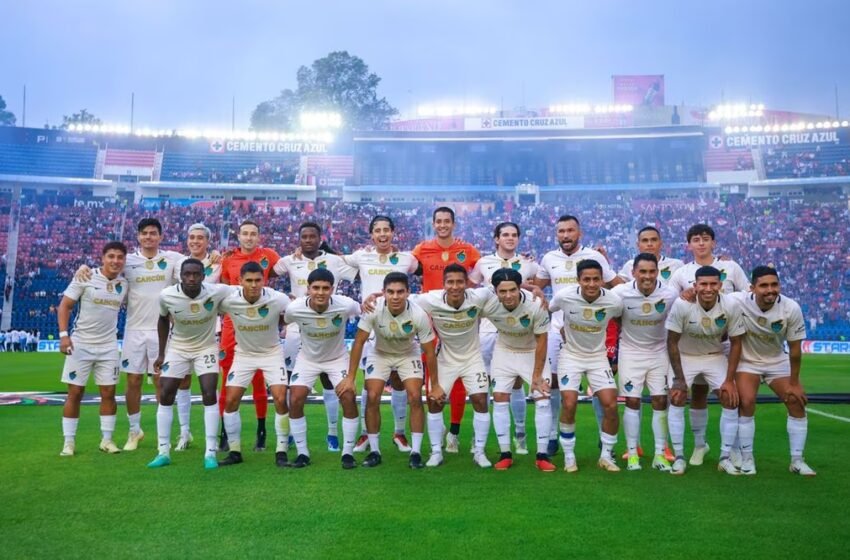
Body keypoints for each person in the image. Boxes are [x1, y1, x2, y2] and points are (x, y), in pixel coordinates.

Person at [535, 215, 622, 456]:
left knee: (600, 386)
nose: (565, 235)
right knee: (553, 385)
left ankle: (603, 439)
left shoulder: (594, 257)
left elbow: (618, 285)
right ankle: (552, 435)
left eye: (570, 231)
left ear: (579, 233)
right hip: (557, 330)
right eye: (561, 231)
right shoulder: (548, 258)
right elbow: (537, 287)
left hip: (590, 331)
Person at [668, 224, 749, 467]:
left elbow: (747, 294)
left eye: (706, 239)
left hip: (720, 344)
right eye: (696, 239)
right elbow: (670, 297)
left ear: (713, 242)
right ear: (689, 244)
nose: (701, 243)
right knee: (695, 395)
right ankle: (698, 447)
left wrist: (727, 311)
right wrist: (683, 295)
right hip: (690, 342)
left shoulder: (731, 266)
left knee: (732, 396)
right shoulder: (682, 272)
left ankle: (731, 451)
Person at [339, 272, 437, 468]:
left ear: (408, 292)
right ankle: (375, 451)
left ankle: (416, 452)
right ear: (383, 293)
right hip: (380, 353)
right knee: (373, 396)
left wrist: (434, 385)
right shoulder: (374, 309)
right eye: (390, 292)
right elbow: (358, 342)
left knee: (415, 397)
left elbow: (429, 350)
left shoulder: (418, 314)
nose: (395, 296)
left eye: (400, 292)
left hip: (408, 354)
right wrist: (350, 377)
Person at [274, 221, 356, 453]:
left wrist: (342, 254)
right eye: (304, 237)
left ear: (320, 238)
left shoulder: (334, 261)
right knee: (294, 385)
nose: (308, 240)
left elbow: (358, 271)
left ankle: (332, 433)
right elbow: (268, 271)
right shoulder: (290, 260)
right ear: (299, 239)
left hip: (328, 320)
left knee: (331, 384)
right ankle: (290, 432)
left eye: (312, 236)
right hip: (297, 325)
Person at [344, 215, 419, 455]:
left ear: (393, 233)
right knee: (370, 385)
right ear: (371, 234)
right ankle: (367, 433)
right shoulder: (361, 255)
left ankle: (399, 432)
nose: (383, 234)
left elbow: (424, 267)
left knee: (399, 381)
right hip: (372, 323)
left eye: (387, 230)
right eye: (378, 230)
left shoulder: (407, 259)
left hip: (399, 323)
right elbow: (332, 260)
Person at [146, 259, 231, 470]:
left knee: (209, 393)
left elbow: (244, 290)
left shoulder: (217, 291)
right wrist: (161, 354)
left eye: (196, 274)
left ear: (203, 276)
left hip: (206, 347)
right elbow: (163, 320)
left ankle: (210, 453)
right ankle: (163, 451)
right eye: (187, 274)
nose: (191, 278)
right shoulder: (167, 295)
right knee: (165, 393)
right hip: (178, 348)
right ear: (180, 276)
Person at [731, 266, 815, 476]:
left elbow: (795, 350)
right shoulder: (737, 301)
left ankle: (797, 460)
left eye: (774, 284)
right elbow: (712, 296)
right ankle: (747, 458)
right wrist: (690, 292)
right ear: (752, 288)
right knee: (747, 401)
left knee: (796, 401)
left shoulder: (790, 308)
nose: (770, 290)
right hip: (747, 361)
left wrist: (794, 383)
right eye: (764, 285)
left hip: (777, 360)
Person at [409, 264, 493, 468]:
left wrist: (534, 290)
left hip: (472, 358)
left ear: (466, 283)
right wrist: (374, 296)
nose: (455, 286)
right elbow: (401, 298)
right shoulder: (429, 300)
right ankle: (436, 451)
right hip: (445, 359)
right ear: (443, 284)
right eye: (450, 282)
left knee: (481, 400)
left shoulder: (480, 296)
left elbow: (506, 290)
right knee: (435, 402)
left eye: (459, 282)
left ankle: (479, 451)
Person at [411, 207, 480, 453]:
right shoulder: (421, 250)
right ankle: (437, 429)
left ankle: (454, 432)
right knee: (432, 374)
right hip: (429, 320)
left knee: (460, 376)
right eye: (438, 221)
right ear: (433, 223)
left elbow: (486, 274)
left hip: (459, 320)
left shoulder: (468, 250)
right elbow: (397, 265)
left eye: (446, 221)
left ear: (453, 223)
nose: (442, 225)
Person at [468, 221, 538, 455]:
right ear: (496, 238)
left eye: (514, 235)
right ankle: (481, 439)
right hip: (488, 330)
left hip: (517, 330)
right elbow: (470, 292)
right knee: (485, 384)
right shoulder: (483, 263)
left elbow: (535, 291)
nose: (510, 238)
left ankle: (520, 435)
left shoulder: (528, 263)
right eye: (505, 235)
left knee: (516, 382)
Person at [550, 260, 624, 472]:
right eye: (586, 279)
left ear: (602, 279)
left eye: (596, 279)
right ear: (578, 280)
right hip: (571, 356)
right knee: (570, 403)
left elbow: (619, 321)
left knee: (610, 404)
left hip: (597, 357)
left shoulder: (613, 301)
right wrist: (561, 331)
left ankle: (606, 456)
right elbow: (550, 310)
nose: (591, 284)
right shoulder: (565, 296)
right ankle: (569, 456)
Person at [116, 218, 183, 451]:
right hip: (134, 330)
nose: (148, 237)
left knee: (160, 382)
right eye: (144, 233)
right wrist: (85, 269)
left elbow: (198, 264)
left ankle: (162, 435)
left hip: (161, 331)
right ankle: (134, 431)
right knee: (133, 380)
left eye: (153, 233)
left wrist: (214, 256)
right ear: (138, 236)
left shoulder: (172, 258)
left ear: (160, 237)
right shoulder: (128, 262)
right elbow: (107, 270)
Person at [283, 269, 361, 469]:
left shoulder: (346, 305)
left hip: (337, 358)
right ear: (308, 289)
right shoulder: (295, 309)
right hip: (307, 359)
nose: (320, 292)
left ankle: (348, 453)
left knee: (348, 396)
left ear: (332, 289)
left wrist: (373, 300)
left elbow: (364, 310)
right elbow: (283, 320)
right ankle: (302, 453)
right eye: (316, 288)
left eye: (325, 288)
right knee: (296, 398)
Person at [57, 241, 129, 457]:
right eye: (111, 256)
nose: (115, 261)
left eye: (119, 257)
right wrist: (63, 336)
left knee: (109, 393)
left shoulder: (125, 283)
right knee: (75, 393)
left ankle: (106, 440)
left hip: (108, 346)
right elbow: (65, 306)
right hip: (81, 344)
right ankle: (69, 443)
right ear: (102, 258)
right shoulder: (85, 277)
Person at [217, 262, 291, 467]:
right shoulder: (229, 301)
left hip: (272, 353)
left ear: (264, 280)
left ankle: (281, 451)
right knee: (231, 400)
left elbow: (294, 311)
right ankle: (234, 451)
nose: (253, 285)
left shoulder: (278, 299)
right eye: (248, 280)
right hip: (244, 355)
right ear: (240, 281)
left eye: (258, 280)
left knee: (279, 398)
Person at [218, 219, 281, 452]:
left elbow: (289, 267)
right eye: (245, 233)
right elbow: (226, 286)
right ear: (239, 236)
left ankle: (261, 430)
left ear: (259, 236)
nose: (249, 237)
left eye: (253, 233)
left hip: (261, 323)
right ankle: (224, 431)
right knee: (227, 377)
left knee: (258, 378)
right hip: (232, 325)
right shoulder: (227, 259)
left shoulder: (269, 256)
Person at [611, 253, 678, 471]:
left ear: (657, 272)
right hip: (630, 352)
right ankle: (632, 454)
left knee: (660, 400)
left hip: (659, 352)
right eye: (642, 272)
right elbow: (602, 306)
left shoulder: (670, 294)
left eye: (651, 271)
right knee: (632, 401)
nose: (647, 276)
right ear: (634, 273)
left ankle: (659, 454)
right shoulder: (620, 292)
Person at [483, 268, 554, 472]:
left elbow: (542, 340)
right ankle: (505, 453)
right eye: (502, 291)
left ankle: (542, 455)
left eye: (513, 290)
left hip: (532, 351)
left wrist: (536, 375)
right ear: (495, 291)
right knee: (499, 399)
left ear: (519, 287)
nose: (508, 295)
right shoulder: (488, 301)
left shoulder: (536, 304)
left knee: (542, 399)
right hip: (504, 350)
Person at [171, 223, 222, 451]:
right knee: (182, 381)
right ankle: (184, 431)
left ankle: (217, 432)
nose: (195, 241)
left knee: (210, 384)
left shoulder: (218, 262)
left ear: (207, 241)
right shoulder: (177, 264)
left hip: (211, 330)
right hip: (182, 331)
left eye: (200, 238)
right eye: (191, 237)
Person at [617, 226, 684, 285]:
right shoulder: (630, 265)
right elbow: (617, 287)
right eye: (645, 240)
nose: (649, 244)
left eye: (654, 240)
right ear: (638, 245)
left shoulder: (677, 265)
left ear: (661, 243)